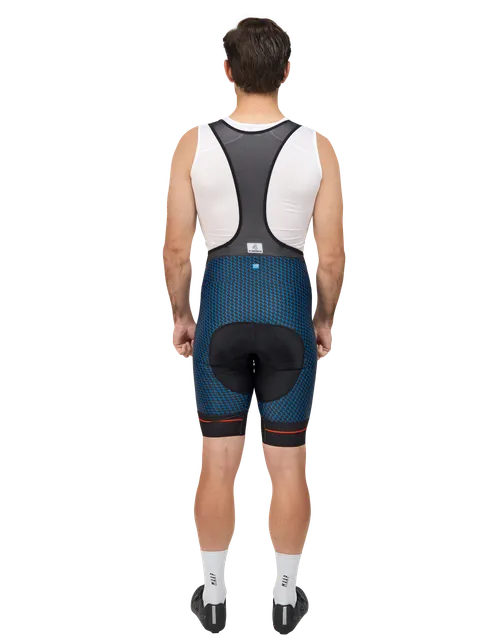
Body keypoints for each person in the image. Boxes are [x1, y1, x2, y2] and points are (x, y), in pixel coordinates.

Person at [162, 13, 346, 636]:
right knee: (289, 462)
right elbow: (330, 258)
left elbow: (178, 252)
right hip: (288, 312)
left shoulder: (193, 143)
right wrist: (323, 318)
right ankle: (288, 600)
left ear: (227, 71)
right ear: (288, 72)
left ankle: (214, 598)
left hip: (222, 311)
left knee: (216, 461)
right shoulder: (319, 146)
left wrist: (182, 314)